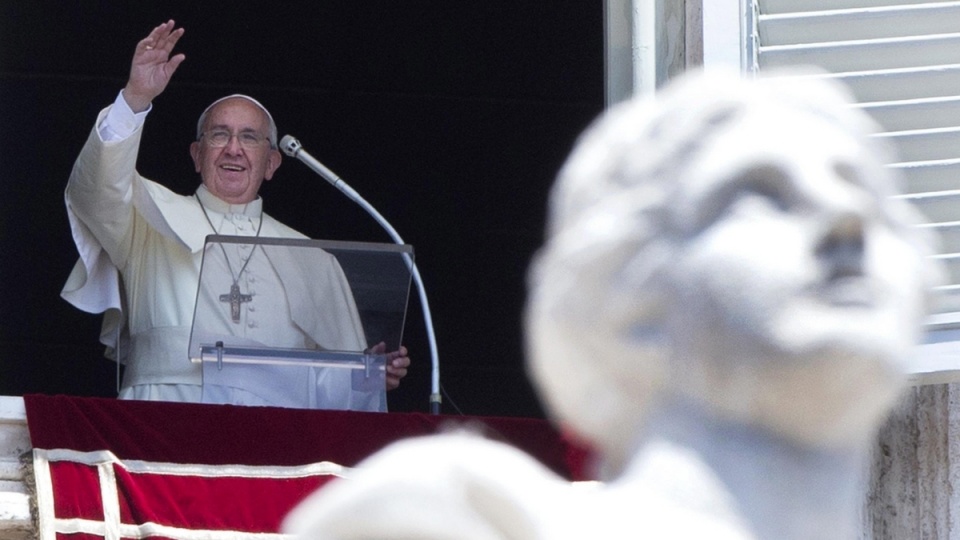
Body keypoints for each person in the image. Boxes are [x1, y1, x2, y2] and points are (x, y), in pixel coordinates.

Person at [281, 70, 942, 539]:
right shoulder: (459, 523)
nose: (848, 223)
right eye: (761, 195)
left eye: (865, 192)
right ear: (630, 300)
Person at [60, 20, 410, 410]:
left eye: (249, 137)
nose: (233, 148)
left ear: (272, 162)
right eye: (219, 134)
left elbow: (327, 397)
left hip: (271, 439)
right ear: (197, 154)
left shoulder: (313, 257)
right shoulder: (146, 219)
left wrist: (366, 375)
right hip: (162, 419)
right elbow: (94, 189)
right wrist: (136, 97)